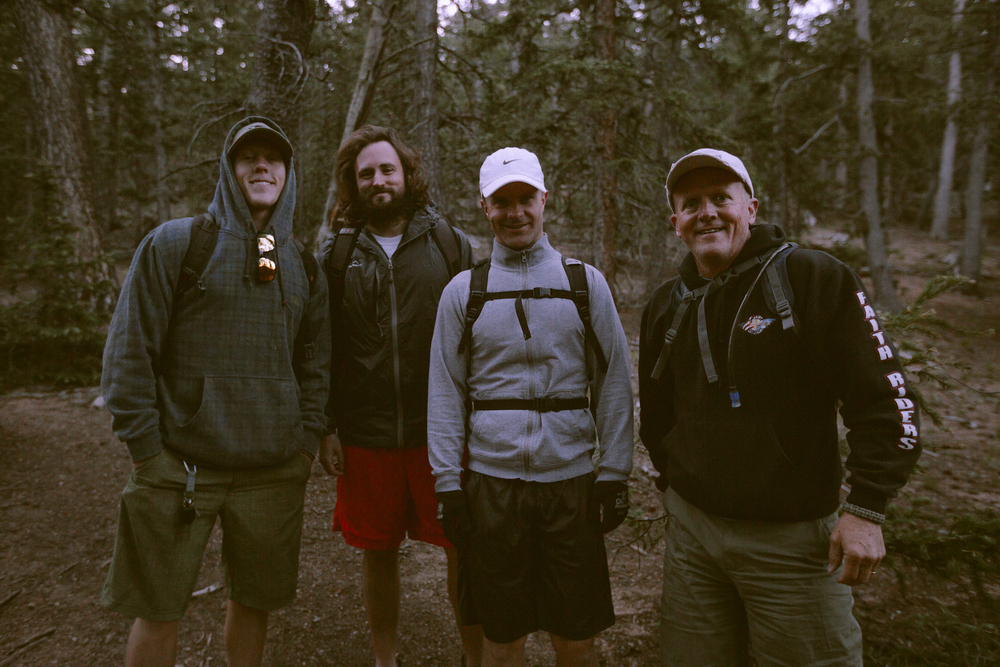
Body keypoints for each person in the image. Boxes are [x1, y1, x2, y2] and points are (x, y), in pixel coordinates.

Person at [638, 148, 922, 666]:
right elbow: (656, 413)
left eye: (721, 198)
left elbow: (886, 400)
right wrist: (673, 483)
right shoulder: (666, 302)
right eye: (691, 202)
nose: (707, 212)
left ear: (751, 207)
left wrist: (865, 509)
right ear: (674, 221)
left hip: (793, 545)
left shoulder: (812, 278)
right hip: (693, 542)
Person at [100, 117, 330, 667]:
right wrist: (147, 451)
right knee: (158, 607)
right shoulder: (178, 243)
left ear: (288, 174)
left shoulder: (300, 263)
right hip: (179, 469)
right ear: (229, 171)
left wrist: (305, 445)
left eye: (272, 159)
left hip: (272, 471)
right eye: (247, 156)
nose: (260, 166)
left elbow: (317, 365)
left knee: (253, 603)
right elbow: (129, 352)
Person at [427, 147, 634, 667]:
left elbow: (613, 380)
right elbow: (446, 390)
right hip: (493, 488)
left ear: (545, 200)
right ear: (484, 206)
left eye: (525, 198)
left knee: (577, 633)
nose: (515, 212)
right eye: (502, 201)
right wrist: (448, 484)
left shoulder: (584, 283)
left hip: (570, 483)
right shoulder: (463, 292)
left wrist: (614, 472)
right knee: (503, 632)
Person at [317, 125, 481, 667]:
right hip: (366, 435)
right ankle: (385, 658)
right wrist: (327, 427)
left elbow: (479, 336)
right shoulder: (337, 254)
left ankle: (471, 654)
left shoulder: (449, 243)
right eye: (366, 173)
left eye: (387, 169)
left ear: (407, 173)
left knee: (462, 546)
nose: (378, 180)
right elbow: (322, 347)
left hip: (441, 431)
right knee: (377, 552)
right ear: (353, 183)